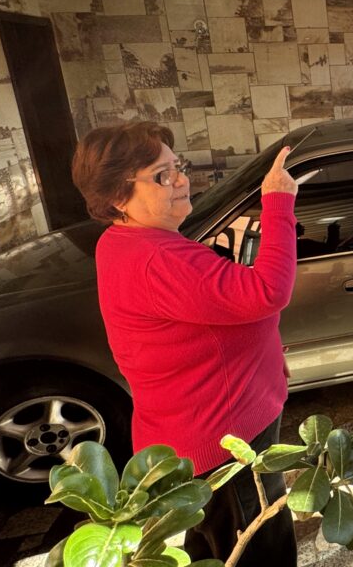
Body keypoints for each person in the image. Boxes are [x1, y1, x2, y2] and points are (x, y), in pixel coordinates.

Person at [71, 122, 299, 566]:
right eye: (162, 175)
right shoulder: (158, 257)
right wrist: (278, 201)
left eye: (178, 167)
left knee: (212, 547)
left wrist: (259, 353)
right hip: (222, 443)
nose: (181, 180)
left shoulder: (122, 242)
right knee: (260, 547)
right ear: (119, 196)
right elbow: (268, 291)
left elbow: (202, 323)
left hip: (191, 435)